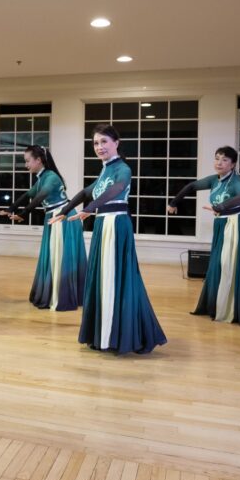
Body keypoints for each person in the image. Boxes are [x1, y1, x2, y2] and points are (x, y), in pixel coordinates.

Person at [53, 124, 166, 354]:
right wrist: (65, 211)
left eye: (104, 141)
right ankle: (104, 334)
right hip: (103, 225)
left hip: (116, 225)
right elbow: (87, 192)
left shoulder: (122, 168)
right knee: (102, 278)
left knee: (116, 278)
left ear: (116, 143)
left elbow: (117, 189)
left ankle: (120, 334)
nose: (99, 147)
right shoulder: (105, 170)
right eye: (95, 143)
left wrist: (91, 208)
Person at [168, 145, 240, 323]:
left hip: (239, 224)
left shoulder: (236, 181)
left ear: (233, 164)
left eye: (225, 160)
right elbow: (192, 186)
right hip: (223, 224)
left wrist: (219, 207)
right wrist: (174, 202)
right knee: (219, 266)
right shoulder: (215, 180)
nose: (219, 162)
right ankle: (218, 305)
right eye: (217, 158)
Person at [0, 145, 86, 310]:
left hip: (62, 218)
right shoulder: (43, 177)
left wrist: (23, 214)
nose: (26, 165)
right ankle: (54, 291)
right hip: (53, 218)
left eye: (27, 161)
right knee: (53, 256)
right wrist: (11, 209)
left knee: (60, 257)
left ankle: (63, 295)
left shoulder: (51, 177)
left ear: (38, 160)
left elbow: (40, 198)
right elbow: (28, 195)